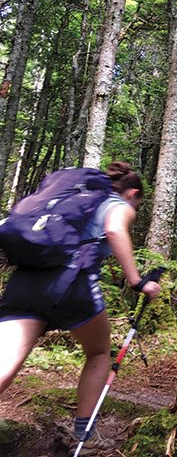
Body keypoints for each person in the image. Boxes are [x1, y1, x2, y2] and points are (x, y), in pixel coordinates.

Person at [0, 162, 161, 452]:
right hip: (72, 282)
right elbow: (114, 230)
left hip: (24, 282)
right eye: (137, 202)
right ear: (133, 193)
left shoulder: (69, 201)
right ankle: (84, 436)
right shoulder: (117, 204)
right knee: (99, 352)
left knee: (5, 363)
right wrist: (138, 282)